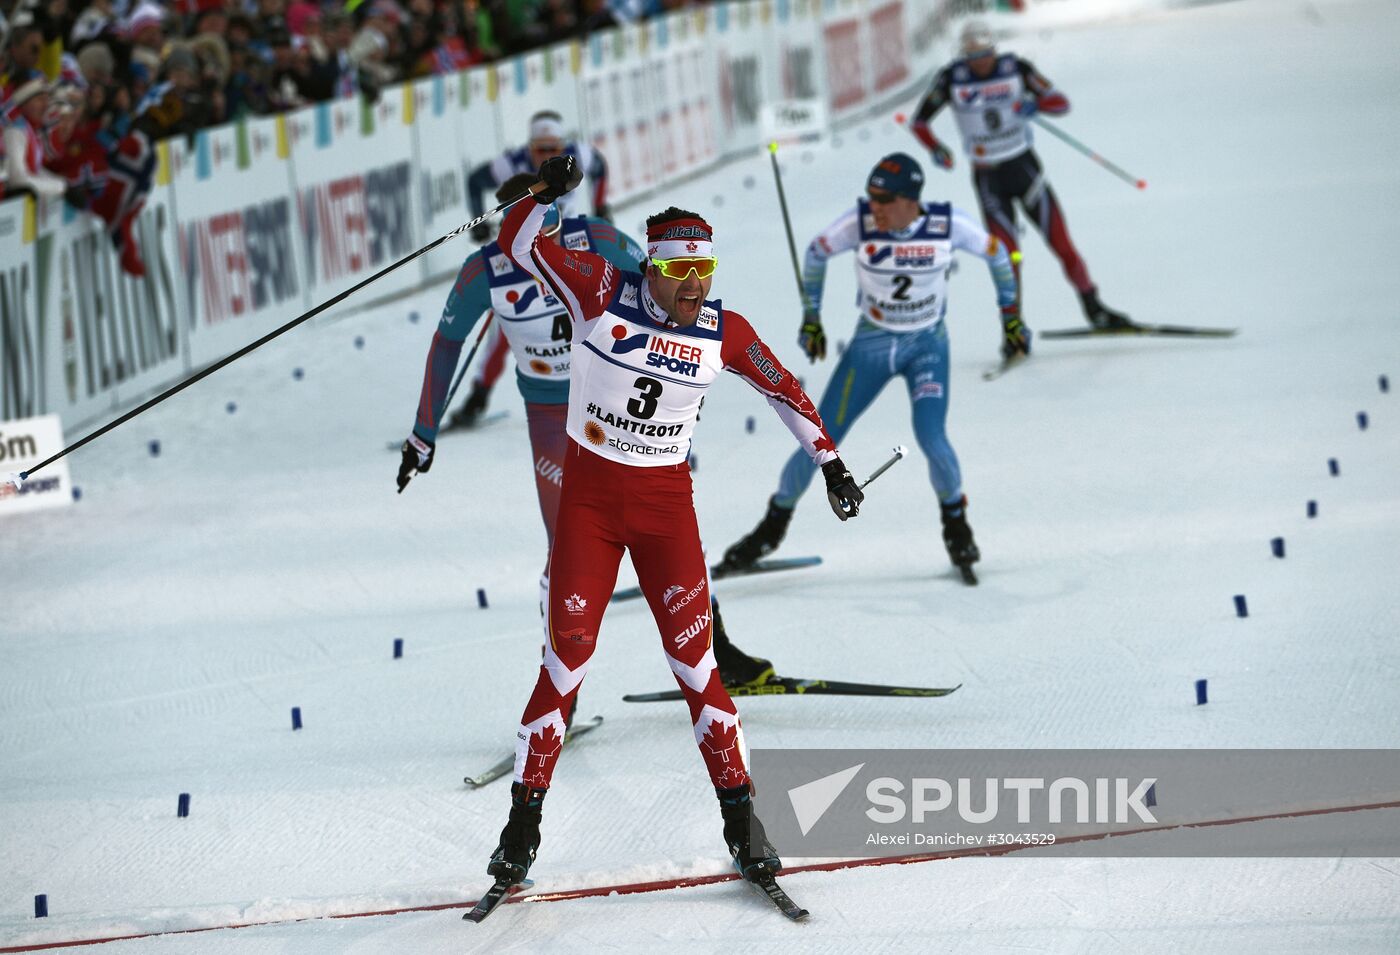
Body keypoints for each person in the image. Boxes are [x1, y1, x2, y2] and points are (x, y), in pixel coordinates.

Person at [474, 155, 864, 887]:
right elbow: (520, 243)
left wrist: (831, 463)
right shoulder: (597, 289)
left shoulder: (723, 329)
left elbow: (785, 389)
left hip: (664, 516)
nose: (694, 288)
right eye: (680, 274)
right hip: (589, 511)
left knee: (697, 669)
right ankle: (520, 830)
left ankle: (744, 826)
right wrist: (541, 195)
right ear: (651, 269)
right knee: (565, 666)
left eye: (705, 271)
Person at [396, 173, 775, 688]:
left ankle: (716, 649)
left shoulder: (594, 242)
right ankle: (558, 690)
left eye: (550, 230)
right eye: (531, 232)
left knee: (672, 536)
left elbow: (657, 297)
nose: (543, 246)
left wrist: (675, 390)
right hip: (554, 418)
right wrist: (423, 433)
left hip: (622, 407)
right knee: (563, 548)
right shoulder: (483, 271)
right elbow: (447, 344)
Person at [721, 153, 1020, 583]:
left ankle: (957, 526)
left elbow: (998, 255)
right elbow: (816, 252)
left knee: (932, 437)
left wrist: (1010, 317)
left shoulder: (946, 224)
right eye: (871, 197)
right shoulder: (858, 224)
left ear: (911, 200)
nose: (874, 207)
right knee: (820, 436)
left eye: (884, 199)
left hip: (926, 347)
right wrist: (812, 317)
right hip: (871, 346)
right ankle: (772, 527)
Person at [908, 20, 1130, 330]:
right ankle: (1013, 329)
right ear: (964, 56)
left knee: (1062, 245)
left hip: (1024, 169)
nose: (981, 63)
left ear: (993, 50)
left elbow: (1061, 102)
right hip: (988, 178)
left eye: (985, 54)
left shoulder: (1016, 69)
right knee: (1009, 258)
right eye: (973, 57)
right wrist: (936, 148)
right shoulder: (951, 79)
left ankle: (1095, 309)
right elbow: (919, 123)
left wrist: (1035, 104)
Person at [465, 109, 609, 244]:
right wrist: (479, 224)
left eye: (553, 149)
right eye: (540, 150)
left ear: (562, 147)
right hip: (528, 244)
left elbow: (600, 169)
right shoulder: (512, 164)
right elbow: (475, 182)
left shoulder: (578, 155)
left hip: (568, 234)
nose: (547, 156)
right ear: (530, 148)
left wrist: (600, 207)